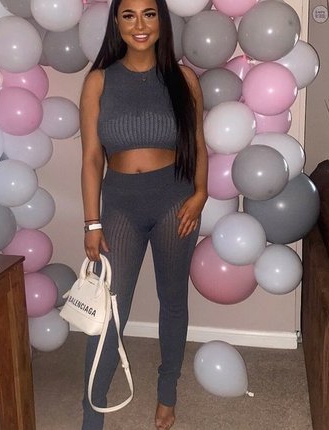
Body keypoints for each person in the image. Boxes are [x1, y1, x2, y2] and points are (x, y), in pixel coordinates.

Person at [79, 0, 208, 428]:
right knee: (110, 308)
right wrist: (92, 222)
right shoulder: (99, 81)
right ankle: (92, 410)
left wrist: (201, 193)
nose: (140, 24)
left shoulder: (183, 79)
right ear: (116, 22)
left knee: (173, 301)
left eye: (149, 14)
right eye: (129, 15)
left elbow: (198, 144)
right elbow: (91, 158)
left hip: (175, 201)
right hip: (120, 205)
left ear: (160, 22)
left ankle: (167, 393)